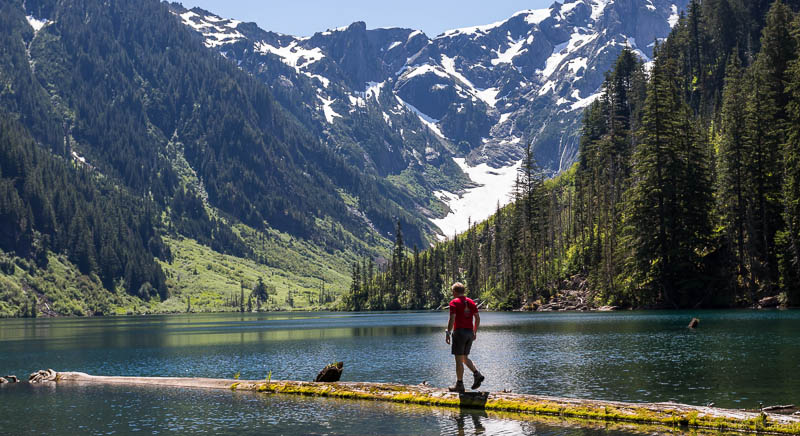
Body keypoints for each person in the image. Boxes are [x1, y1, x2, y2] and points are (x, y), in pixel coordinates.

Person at [445, 282, 484, 392]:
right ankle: (477, 374)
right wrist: (474, 332)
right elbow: (477, 318)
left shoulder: (454, 302)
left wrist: (448, 332)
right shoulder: (471, 302)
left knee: (458, 360)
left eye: (452, 292)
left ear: (455, 292)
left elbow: (452, 318)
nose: (452, 294)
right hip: (469, 333)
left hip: (459, 333)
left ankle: (460, 385)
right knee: (464, 357)